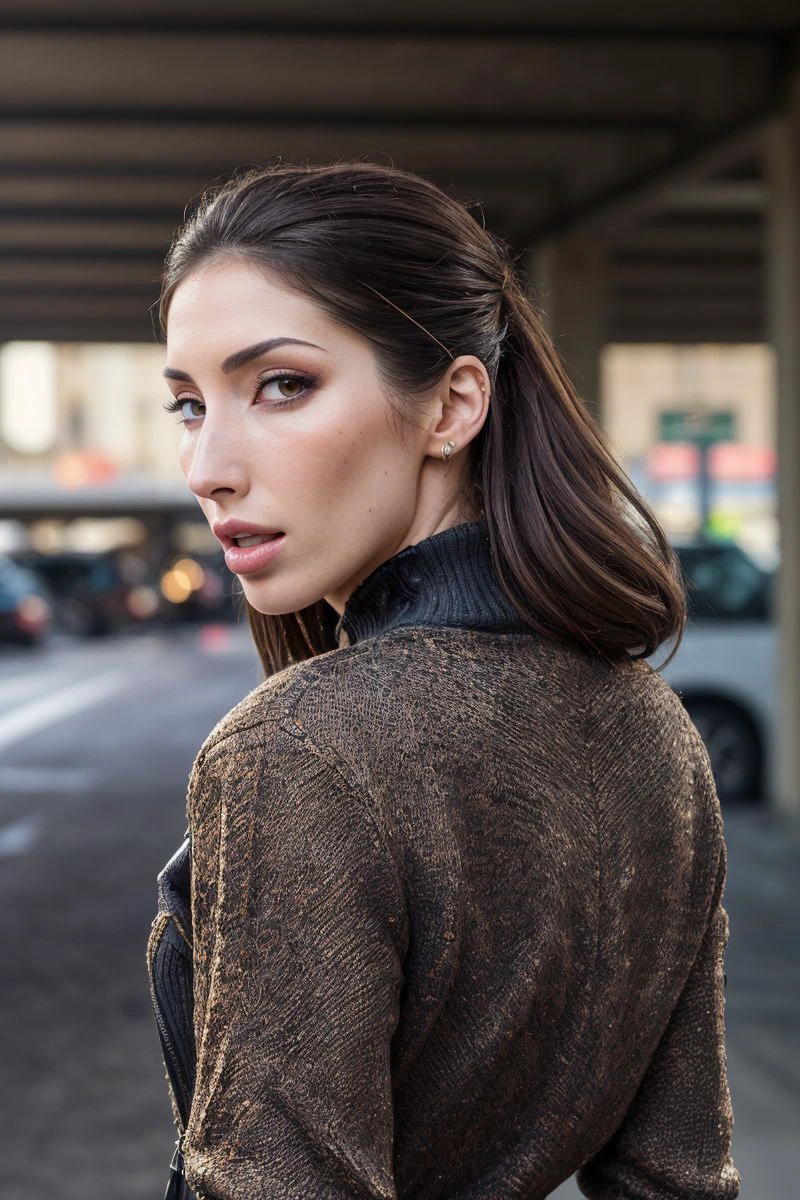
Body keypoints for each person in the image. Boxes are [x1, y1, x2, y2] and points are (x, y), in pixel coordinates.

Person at [146, 159, 740, 1200]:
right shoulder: (653, 730)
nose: (208, 466)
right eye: (189, 405)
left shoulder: (297, 748)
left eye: (281, 385)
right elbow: (676, 1178)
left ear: (451, 405)